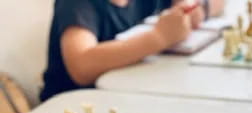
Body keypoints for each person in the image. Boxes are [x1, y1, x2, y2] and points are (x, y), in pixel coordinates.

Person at [39, 0, 225, 102]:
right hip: (79, 109)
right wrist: (159, 37)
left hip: (134, 95)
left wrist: (194, 7)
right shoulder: (76, 4)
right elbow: (82, 66)